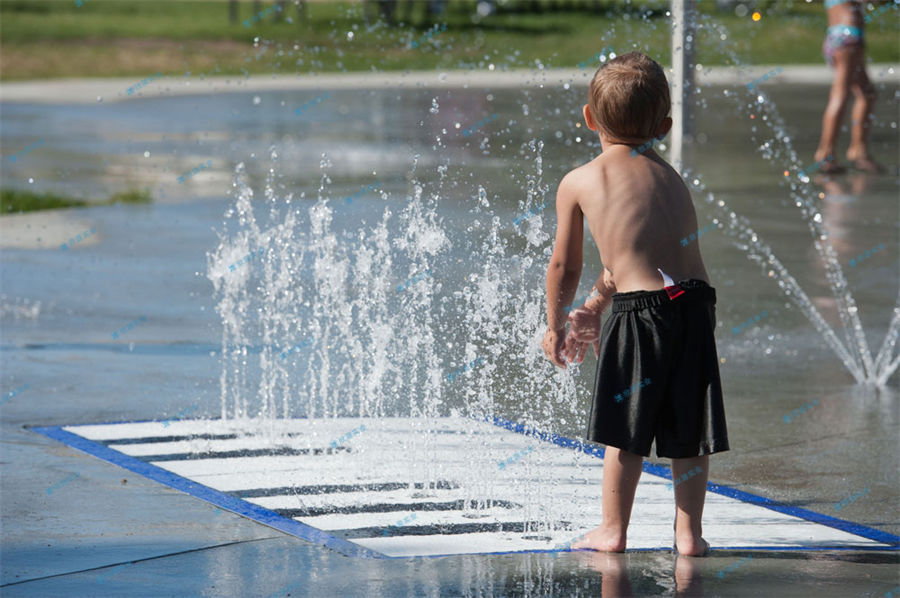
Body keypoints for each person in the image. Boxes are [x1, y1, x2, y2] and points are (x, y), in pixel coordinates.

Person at [540, 52, 729, 556]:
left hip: (641, 313)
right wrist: (598, 305)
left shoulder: (581, 180)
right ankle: (689, 536)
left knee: (626, 431)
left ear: (588, 118)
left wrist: (556, 323)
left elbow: (565, 266)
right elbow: (643, 260)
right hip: (693, 306)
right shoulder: (670, 177)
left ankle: (612, 530)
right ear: (665, 125)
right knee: (689, 431)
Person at [814, 0, 883, 173]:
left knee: (866, 93)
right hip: (848, 37)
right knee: (841, 94)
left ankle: (858, 151)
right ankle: (825, 153)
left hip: (836, 36)